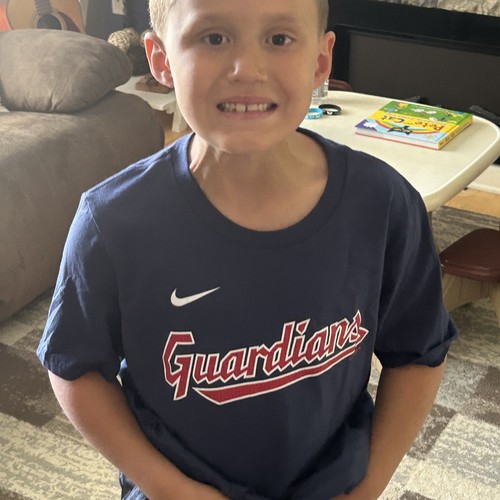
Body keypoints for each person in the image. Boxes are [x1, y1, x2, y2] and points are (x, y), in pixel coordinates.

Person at [37, 0, 457, 498]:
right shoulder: (112, 221)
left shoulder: (382, 204)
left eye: (279, 39)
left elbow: (418, 354)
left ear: (321, 61)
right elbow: (75, 367)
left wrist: (367, 487)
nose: (247, 70)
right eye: (213, 38)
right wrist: (169, 487)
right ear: (161, 60)